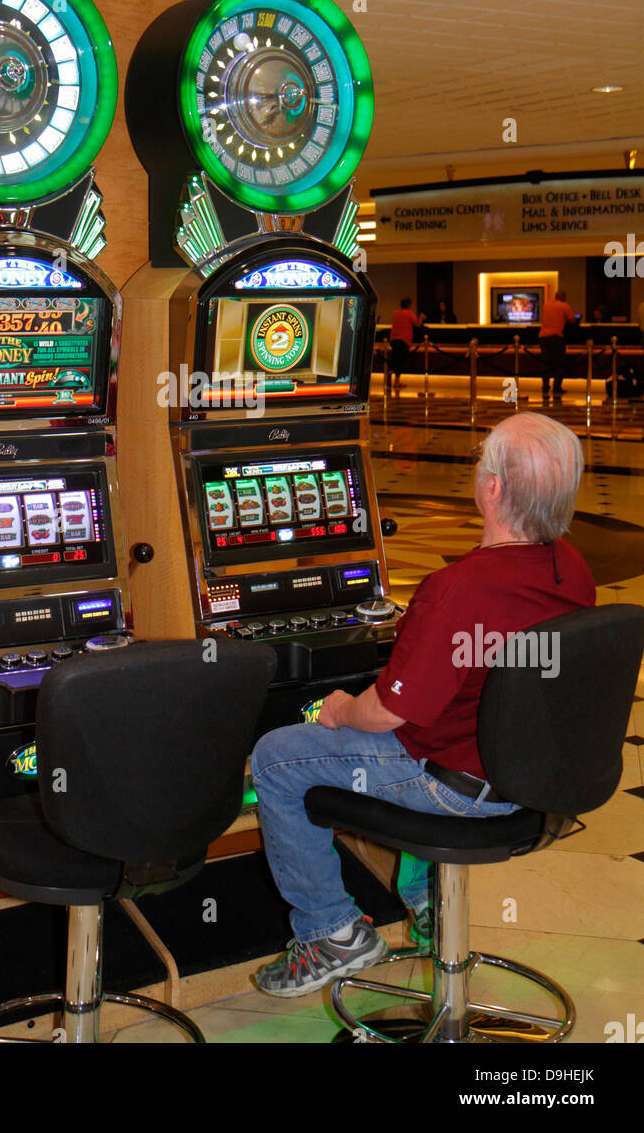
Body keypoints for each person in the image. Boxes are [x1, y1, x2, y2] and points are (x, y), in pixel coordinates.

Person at [251, 412, 595, 997]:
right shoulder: (572, 568)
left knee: (276, 755)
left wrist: (337, 709)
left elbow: (389, 713)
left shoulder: (458, 590)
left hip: (457, 786)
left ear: (491, 488)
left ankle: (332, 933)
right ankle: (426, 902)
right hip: (539, 774)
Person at [538, 290, 575, 399]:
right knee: (559, 362)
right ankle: (557, 387)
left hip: (543, 337)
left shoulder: (546, 305)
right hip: (556, 337)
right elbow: (572, 320)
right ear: (563, 297)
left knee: (545, 362)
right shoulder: (565, 306)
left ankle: (545, 385)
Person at [387, 297, 424, 392]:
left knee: (394, 359)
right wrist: (421, 317)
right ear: (409, 305)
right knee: (400, 360)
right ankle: (397, 381)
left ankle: (390, 379)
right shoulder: (409, 313)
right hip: (404, 340)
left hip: (394, 339)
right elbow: (417, 324)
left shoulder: (396, 313)